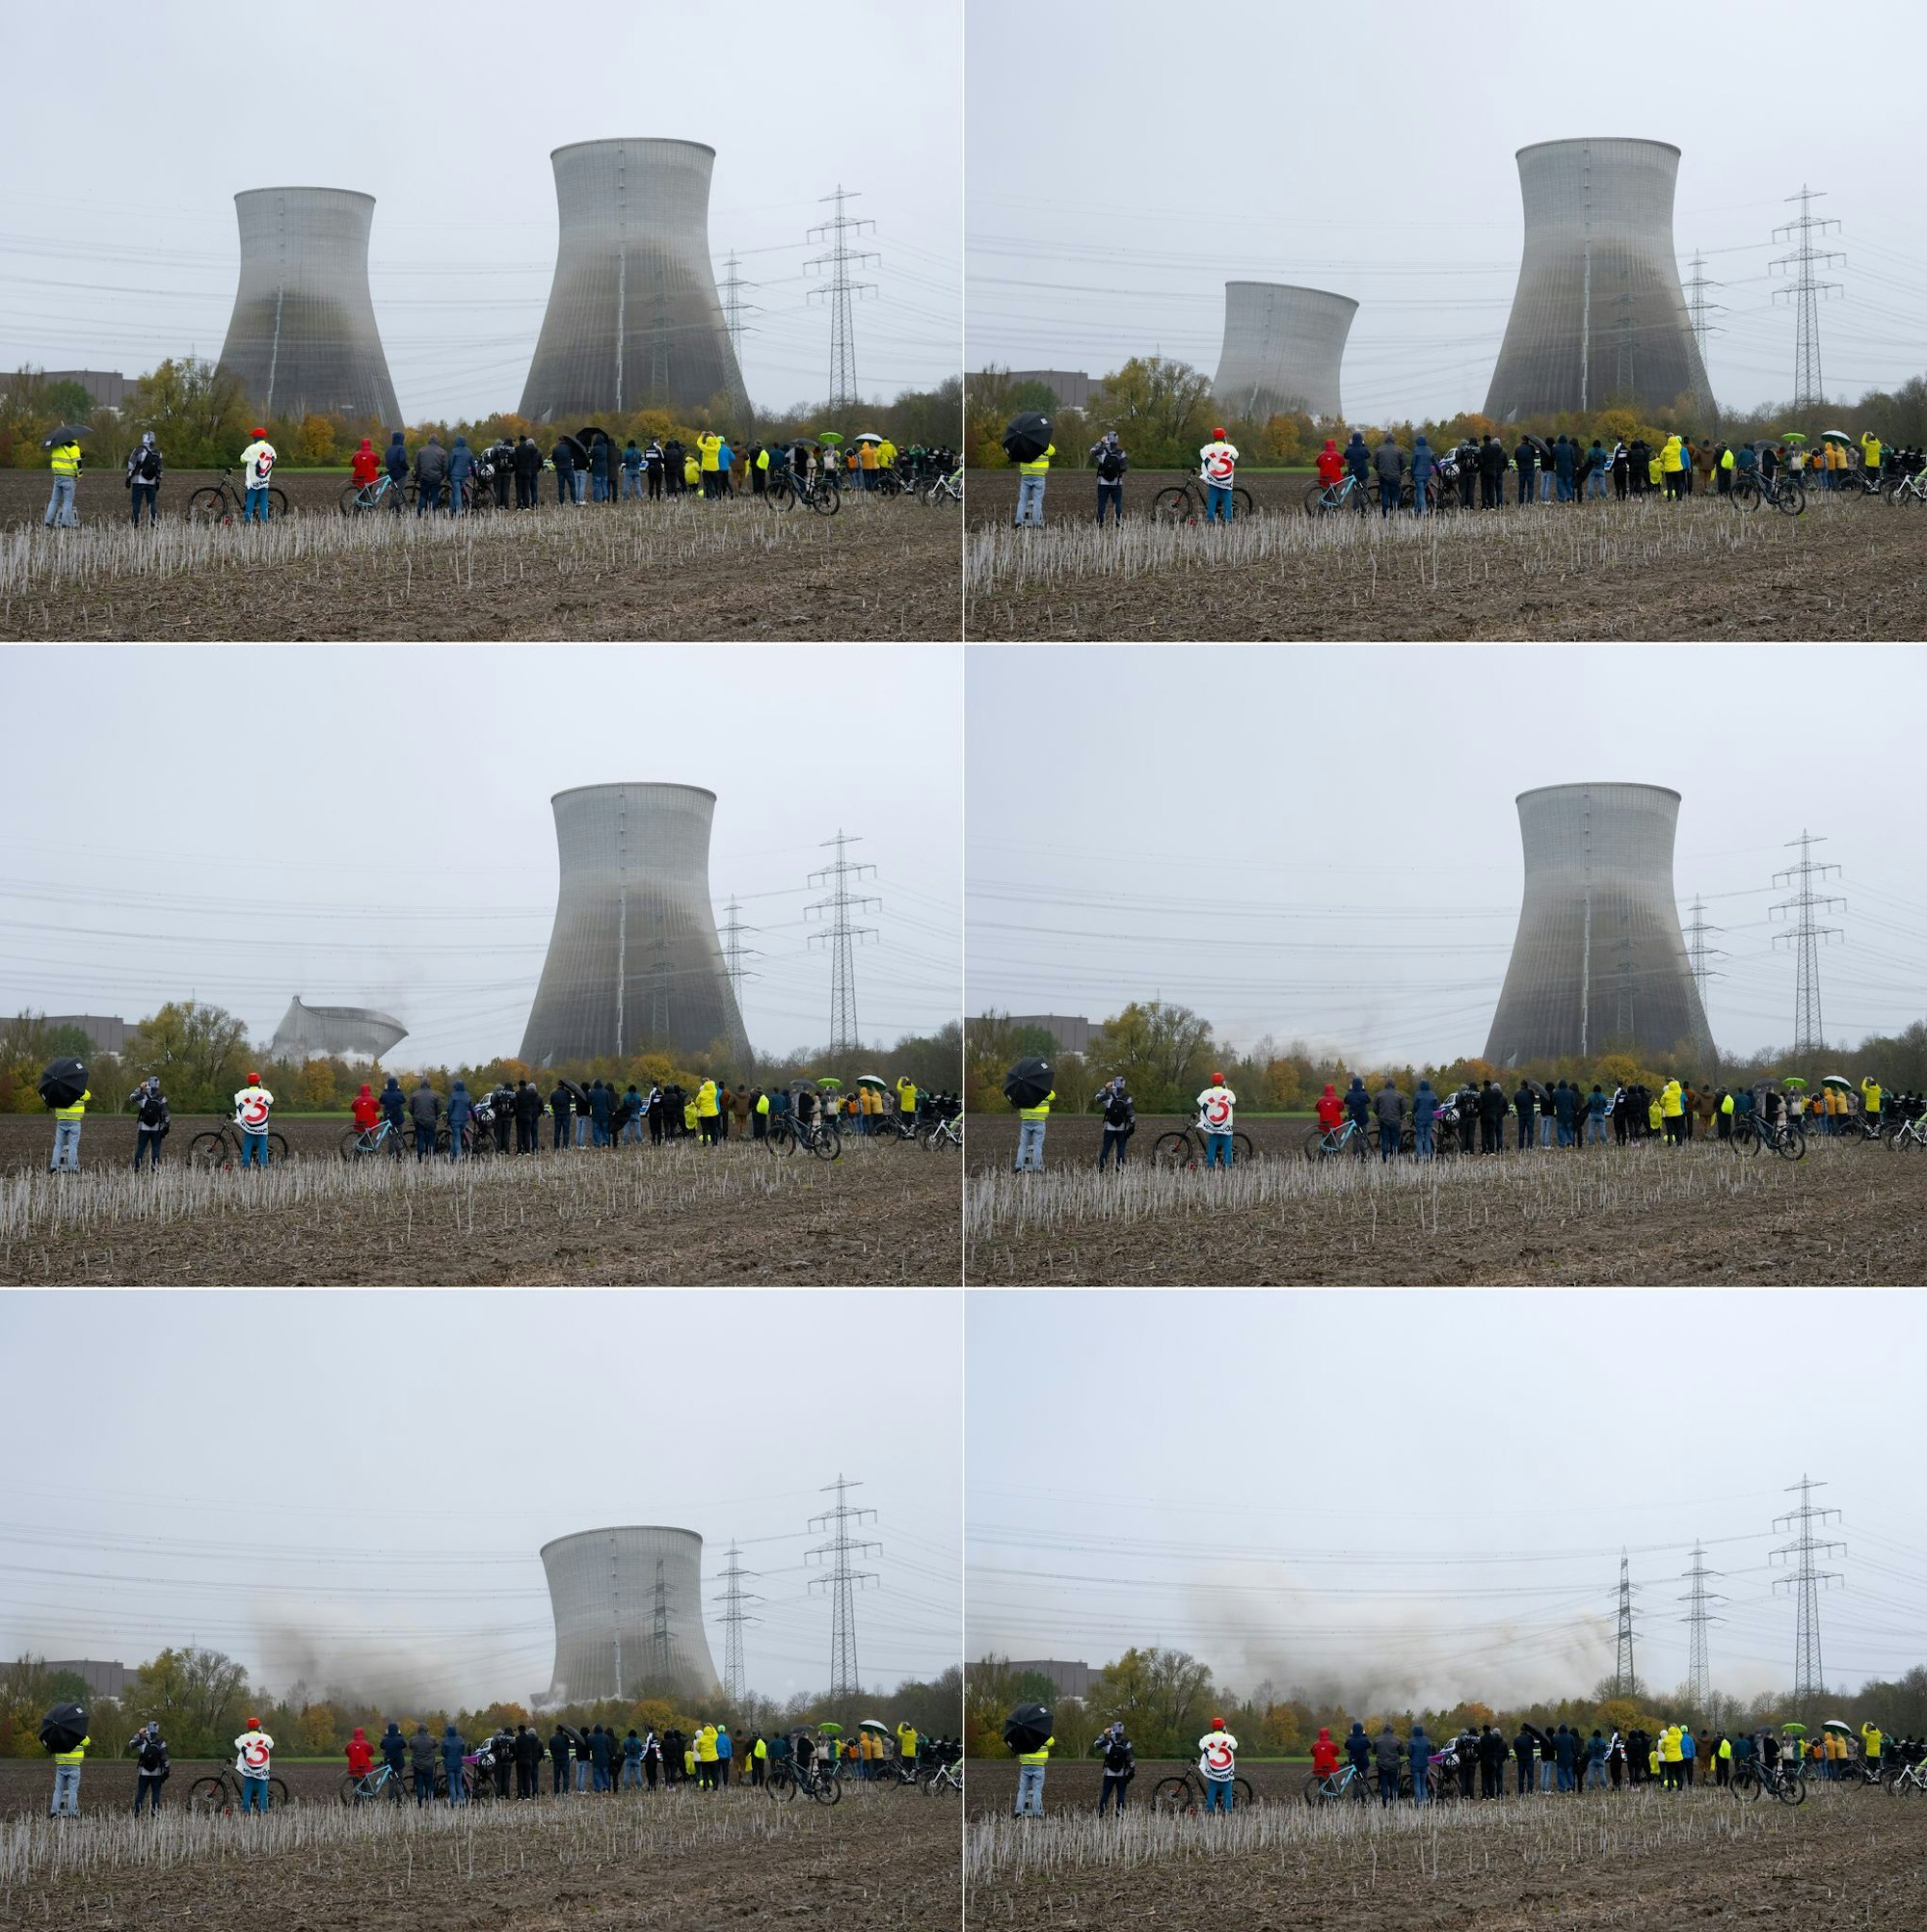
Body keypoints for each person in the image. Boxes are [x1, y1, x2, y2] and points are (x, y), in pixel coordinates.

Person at [232, 1072, 274, 1168]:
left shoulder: (243, 1093)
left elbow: (236, 1098)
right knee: (263, 1145)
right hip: (261, 1125)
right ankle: (263, 1164)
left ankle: (246, 1164)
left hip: (249, 1124)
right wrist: (262, 1089)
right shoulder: (264, 1093)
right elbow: (271, 1099)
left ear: (248, 1082)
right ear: (259, 1082)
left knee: (247, 1144)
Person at [1197, 1717, 1239, 1812]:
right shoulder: (1229, 1738)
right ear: (1223, 1727)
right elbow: (1235, 1745)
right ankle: (1228, 1809)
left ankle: (1210, 1809)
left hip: (1213, 1769)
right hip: (1226, 1770)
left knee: (1212, 1789)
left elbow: (1201, 1745)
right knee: (1227, 1790)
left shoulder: (1207, 1738)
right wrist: (1226, 1733)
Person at [1198, 428, 1239, 523]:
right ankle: (1228, 519)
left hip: (1213, 478)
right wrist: (1227, 444)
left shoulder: (1208, 448)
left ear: (1214, 437)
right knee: (1227, 499)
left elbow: (1202, 453)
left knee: (1212, 498)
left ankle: (1210, 518)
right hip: (1227, 479)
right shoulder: (1230, 448)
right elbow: (1236, 455)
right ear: (1224, 437)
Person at [1196, 1071, 1237, 1167]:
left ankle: (1211, 1165)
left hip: (1213, 1124)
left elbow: (1200, 1101)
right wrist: (1226, 1088)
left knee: (1212, 1144)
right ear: (1223, 1082)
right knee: (1227, 1144)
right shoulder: (1228, 1092)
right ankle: (1227, 1164)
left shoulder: (1206, 1093)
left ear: (1212, 1082)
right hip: (1225, 1123)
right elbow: (1233, 1100)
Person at [49, 1720, 89, 1815]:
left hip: (61, 1765)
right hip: (74, 1766)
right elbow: (87, 1742)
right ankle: (73, 1812)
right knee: (73, 1791)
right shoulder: (78, 1733)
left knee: (58, 1790)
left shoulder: (57, 1734)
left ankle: (54, 1811)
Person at [130, 1075, 171, 1169]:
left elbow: (131, 1098)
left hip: (143, 1127)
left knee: (140, 1148)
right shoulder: (161, 1097)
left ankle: (137, 1167)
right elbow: (166, 1113)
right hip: (157, 1128)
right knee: (156, 1149)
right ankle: (154, 1168)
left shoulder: (142, 1095)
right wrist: (167, 1126)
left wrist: (140, 1087)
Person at [234, 1717, 275, 1812]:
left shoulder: (243, 1737)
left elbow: (236, 1742)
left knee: (248, 1789)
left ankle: (246, 1810)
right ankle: (263, 1810)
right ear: (258, 1726)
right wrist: (262, 1734)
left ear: (248, 1727)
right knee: (263, 1790)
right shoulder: (265, 1737)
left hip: (248, 1768)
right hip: (262, 1769)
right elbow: (271, 1744)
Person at [1013, 1078, 1054, 1172]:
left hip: (1026, 1120)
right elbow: (1053, 1096)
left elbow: (1017, 1102)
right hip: (1039, 1121)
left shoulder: (1022, 1090)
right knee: (1037, 1146)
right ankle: (1037, 1168)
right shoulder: (1044, 1089)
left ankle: (1018, 1167)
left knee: (1023, 1145)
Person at [1013, 436, 1054, 527]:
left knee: (1022, 500)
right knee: (1037, 501)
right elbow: (1052, 452)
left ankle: (1018, 522)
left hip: (1026, 476)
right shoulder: (1043, 444)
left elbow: (1017, 455)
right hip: (1039, 476)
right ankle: (1037, 523)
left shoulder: (1023, 445)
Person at [44, 431, 83, 526]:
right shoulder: (73, 447)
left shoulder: (56, 447)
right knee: (68, 501)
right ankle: (65, 524)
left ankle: (47, 523)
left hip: (57, 476)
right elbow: (77, 463)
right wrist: (79, 475)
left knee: (54, 500)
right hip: (68, 477)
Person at [131, 1720, 170, 1814]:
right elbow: (165, 1758)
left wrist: (139, 1734)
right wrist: (167, 1771)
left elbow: (131, 1744)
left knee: (141, 1793)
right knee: (156, 1794)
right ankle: (154, 1813)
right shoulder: (161, 1742)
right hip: (157, 1773)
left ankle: (137, 1812)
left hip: (143, 1772)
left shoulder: (142, 1740)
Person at [1096, 1721, 1135, 1815]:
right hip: (1122, 1773)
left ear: (1112, 1729)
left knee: (1105, 1793)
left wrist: (1104, 1734)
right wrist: (1132, 1770)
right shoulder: (1126, 1742)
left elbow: (1096, 1744)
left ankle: (1101, 1812)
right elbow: (1130, 1758)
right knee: (1121, 1794)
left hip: (1108, 1773)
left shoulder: (1108, 1741)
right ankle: (1119, 1813)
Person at [1013, 1725, 1052, 1816]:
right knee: (1037, 1791)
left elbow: (1016, 1746)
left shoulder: (1022, 1734)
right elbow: (1051, 1742)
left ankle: (1018, 1812)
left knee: (1022, 1790)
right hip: (1039, 1766)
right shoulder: (1042, 1734)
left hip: (1025, 1765)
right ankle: (1037, 1813)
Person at [126, 430, 164, 525]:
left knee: (136, 503)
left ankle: (135, 523)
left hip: (138, 480)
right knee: (152, 503)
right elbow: (160, 469)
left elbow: (131, 464)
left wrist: (128, 477)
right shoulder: (158, 452)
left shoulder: (138, 450)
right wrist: (158, 481)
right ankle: (153, 522)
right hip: (152, 481)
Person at [239, 428, 277, 523]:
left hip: (253, 480)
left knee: (250, 500)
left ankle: (248, 521)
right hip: (264, 480)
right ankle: (264, 520)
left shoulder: (251, 448)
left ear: (256, 437)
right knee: (264, 501)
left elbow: (242, 459)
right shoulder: (271, 448)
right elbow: (274, 459)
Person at [1098, 1076, 1136, 1170]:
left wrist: (1105, 1087)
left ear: (1114, 1084)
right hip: (1122, 1128)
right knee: (1121, 1149)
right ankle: (1119, 1169)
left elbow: (1097, 1098)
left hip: (1108, 1128)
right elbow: (1131, 1114)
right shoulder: (1127, 1098)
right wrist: (1132, 1126)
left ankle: (1101, 1168)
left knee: (1106, 1148)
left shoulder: (1108, 1096)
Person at [1092, 430, 1129, 525]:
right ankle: (1118, 523)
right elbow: (1125, 467)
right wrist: (1116, 472)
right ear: (1117, 440)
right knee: (1117, 504)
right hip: (1116, 483)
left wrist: (1100, 442)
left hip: (1102, 482)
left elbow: (1092, 452)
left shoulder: (1102, 451)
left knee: (1102, 504)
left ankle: (1100, 523)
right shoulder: (1121, 452)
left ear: (1107, 439)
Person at [414, 432, 448, 517]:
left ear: (429, 440)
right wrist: (441, 476)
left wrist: (419, 475)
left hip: (424, 477)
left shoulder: (421, 451)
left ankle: (420, 514)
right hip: (436, 478)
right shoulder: (442, 452)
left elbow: (416, 464)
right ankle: (433, 514)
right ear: (437, 441)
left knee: (423, 495)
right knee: (434, 496)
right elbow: (445, 467)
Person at [1374, 1077, 1406, 1161]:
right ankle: (1395, 1158)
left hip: (1383, 1120)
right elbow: (1404, 1109)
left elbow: (1375, 1108)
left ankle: (1385, 1159)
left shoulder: (1378, 1095)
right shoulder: (1400, 1095)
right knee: (1395, 1139)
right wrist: (1399, 1116)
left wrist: (1379, 1115)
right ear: (1394, 1085)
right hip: (1395, 1121)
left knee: (1385, 1139)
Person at [1374, 432, 1406, 516]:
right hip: (1395, 476)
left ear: (1385, 440)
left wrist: (1379, 470)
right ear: (1393, 440)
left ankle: (1385, 514)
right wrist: (1399, 471)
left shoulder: (1378, 450)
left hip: (1383, 476)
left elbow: (1375, 464)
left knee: (1385, 494)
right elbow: (1403, 465)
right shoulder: (1400, 451)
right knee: (1395, 495)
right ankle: (1395, 513)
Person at [1373, 1721, 1404, 1806]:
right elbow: (1401, 1752)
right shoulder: (1398, 1739)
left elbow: (1373, 1751)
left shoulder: (1377, 1739)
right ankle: (1395, 1801)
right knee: (1394, 1783)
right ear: (1392, 1730)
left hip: (1382, 1765)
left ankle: (1385, 1802)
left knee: (1384, 1784)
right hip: (1393, 1765)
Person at [410, 1077, 442, 1160]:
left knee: (420, 1139)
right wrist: (434, 1116)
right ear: (429, 1085)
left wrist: (415, 1115)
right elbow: (439, 1110)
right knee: (431, 1139)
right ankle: (431, 1157)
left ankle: (420, 1158)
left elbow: (410, 1109)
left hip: (418, 1120)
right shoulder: (435, 1095)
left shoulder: (414, 1095)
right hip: (430, 1121)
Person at [1411, 1077, 1437, 1160]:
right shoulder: (1433, 1094)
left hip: (1420, 1118)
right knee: (1427, 1138)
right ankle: (1428, 1155)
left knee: (1419, 1138)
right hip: (1429, 1118)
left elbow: (1415, 1107)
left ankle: (1420, 1156)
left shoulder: (1418, 1094)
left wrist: (1414, 1112)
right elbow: (1435, 1107)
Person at [442, 1723, 468, 1806]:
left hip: (449, 1765)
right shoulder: (460, 1740)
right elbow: (463, 1751)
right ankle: (463, 1801)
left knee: (452, 1784)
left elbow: (443, 1753)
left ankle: (453, 1802)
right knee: (459, 1784)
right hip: (458, 1764)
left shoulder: (446, 1740)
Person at [445, 1078, 470, 1160]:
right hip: (464, 1121)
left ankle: (459, 1156)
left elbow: (449, 1108)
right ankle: (452, 1156)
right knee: (456, 1137)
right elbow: (472, 1107)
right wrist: (475, 1117)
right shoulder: (467, 1095)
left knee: (456, 1138)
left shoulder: (453, 1095)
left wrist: (449, 1118)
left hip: (455, 1120)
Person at [1409, 433, 1434, 515]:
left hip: (1418, 475)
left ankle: (1424, 511)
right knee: (1419, 492)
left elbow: (1413, 463)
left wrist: (1412, 473)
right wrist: (1438, 470)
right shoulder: (1429, 449)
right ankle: (1416, 511)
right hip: (1427, 475)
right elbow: (1435, 461)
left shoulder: (1416, 450)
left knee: (1420, 494)